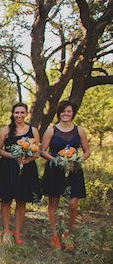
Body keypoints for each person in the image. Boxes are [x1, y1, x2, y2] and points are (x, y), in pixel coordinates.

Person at [40, 100, 90, 251]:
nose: (66, 114)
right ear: (59, 113)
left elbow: (87, 151)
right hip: (55, 170)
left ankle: (67, 234)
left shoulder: (79, 130)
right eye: (63, 111)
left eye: (68, 111)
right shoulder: (51, 130)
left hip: (74, 170)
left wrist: (78, 160)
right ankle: (54, 235)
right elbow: (42, 151)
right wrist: (56, 160)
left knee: (73, 204)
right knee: (53, 204)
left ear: (73, 113)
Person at [0, 103, 41, 244]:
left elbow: (37, 152)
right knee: (6, 200)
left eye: (22, 112)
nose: (19, 115)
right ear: (12, 114)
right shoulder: (5, 130)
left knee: (21, 200)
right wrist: (14, 156)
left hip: (27, 168)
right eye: (16, 112)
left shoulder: (33, 130)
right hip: (7, 168)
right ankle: (6, 230)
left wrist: (27, 159)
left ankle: (17, 232)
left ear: (26, 113)